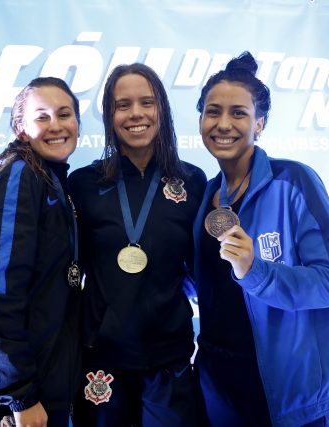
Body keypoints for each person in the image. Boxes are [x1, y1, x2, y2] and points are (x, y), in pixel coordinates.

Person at [193, 51, 329, 427]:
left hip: (284, 390)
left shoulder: (294, 181)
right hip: (218, 386)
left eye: (238, 113)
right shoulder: (206, 194)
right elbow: (203, 285)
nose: (223, 124)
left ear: (259, 123)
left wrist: (255, 270)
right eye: (212, 112)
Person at [68, 63, 207, 427]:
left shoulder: (192, 181)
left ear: (162, 108)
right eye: (123, 105)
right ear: (109, 115)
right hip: (101, 360)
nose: (136, 114)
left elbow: (203, 273)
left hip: (169, 360)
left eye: (147, 102)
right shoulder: (83, 184)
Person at [0, 77, 82, 427]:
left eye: (64, 114)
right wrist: (19, 394)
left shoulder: (47, 179)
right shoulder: (19, 175)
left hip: (33, 387)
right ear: (21, 128)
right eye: (42, 117)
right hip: (7, 402)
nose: (56, 125)